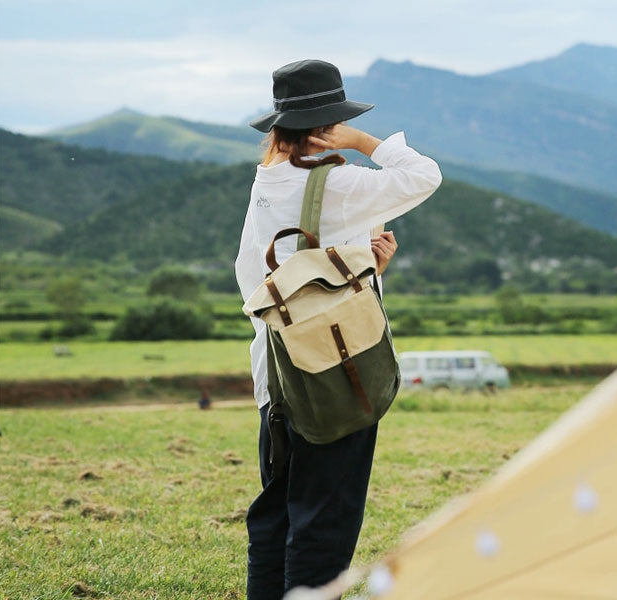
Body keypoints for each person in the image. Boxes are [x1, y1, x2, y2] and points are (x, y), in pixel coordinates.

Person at [234, 59, 442, 599]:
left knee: (278, 511)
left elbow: (261, 279)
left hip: (275, 371)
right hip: (336, 372)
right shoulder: (341, 184)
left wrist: (368, 268)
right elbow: (425, 176)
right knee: (327, 517)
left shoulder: (266, 183)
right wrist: (366, 141)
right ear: (328, 124)